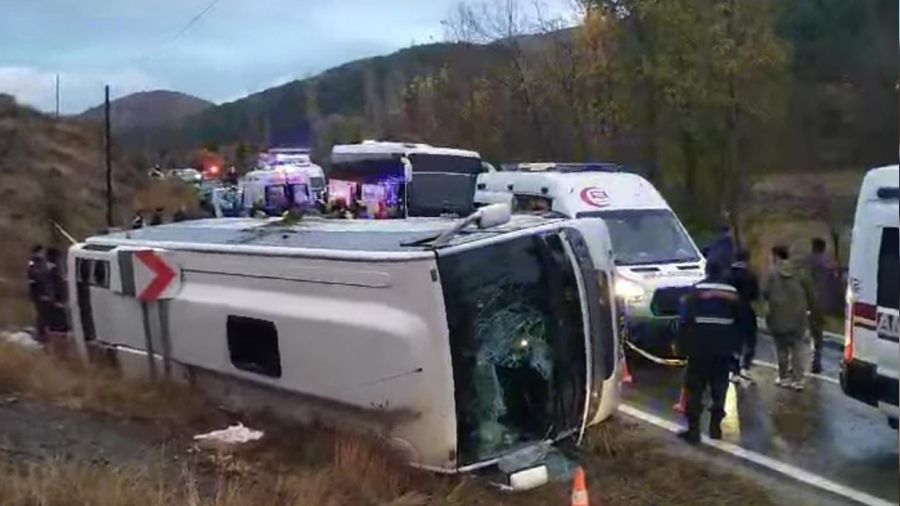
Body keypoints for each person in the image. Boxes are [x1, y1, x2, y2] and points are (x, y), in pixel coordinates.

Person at [677, 262, 744, 443]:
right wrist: (737, 348)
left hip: (700, 347)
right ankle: (715, 426)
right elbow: (741, 322)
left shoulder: (696, 291)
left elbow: (685, 321)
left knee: (695, 388)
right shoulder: (732, 293)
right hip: (723, 348)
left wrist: (682, 345)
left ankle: (694, 431)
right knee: (720, 387)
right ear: (722, 271)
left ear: (706, 271)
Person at [764, 246, 819, 391]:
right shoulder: (800, 273)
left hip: (777, 317)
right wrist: (813, 312)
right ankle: (798, 379)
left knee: (781, 349)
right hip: (798, 317)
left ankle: (784, 377)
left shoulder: (771, 274)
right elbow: (811, 295)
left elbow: (764, 293)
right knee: (797, 349)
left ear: (776, 256)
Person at [803, 238, 835, 373]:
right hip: (821, 302)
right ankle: (816, 362)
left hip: (808, 300)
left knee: (804, 332)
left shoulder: (809, 261)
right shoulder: (827, 263)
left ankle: (802, 363)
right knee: (817, 334)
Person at [730, 249, 760, 383]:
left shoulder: (728, 275)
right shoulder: (750, 275)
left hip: (730, 310)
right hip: (746, 310)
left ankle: (733, 368)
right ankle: (745, 366)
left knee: (733, 340)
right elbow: (755, 295)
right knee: (750, 339)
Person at [44, 248, 69, 334]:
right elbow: (53, 285)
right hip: (56, 299)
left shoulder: (49, 269)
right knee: (58, 322)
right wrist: (57, 299)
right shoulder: (53, 271)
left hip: (53, 298)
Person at [27, 245, 48, 340]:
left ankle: (41, 331)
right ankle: (41, 333)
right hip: (39, 292)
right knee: (41, 312)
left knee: (41, 312)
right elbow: (35, 277)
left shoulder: (36, 262)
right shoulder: (35, 262)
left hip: (37, 292)